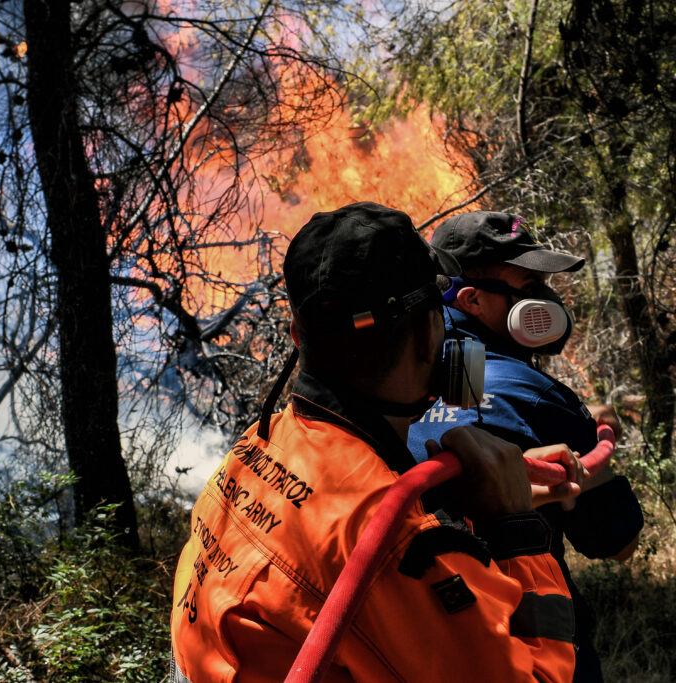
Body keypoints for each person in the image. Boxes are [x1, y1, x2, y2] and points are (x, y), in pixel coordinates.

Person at [170, 202, 579, 683]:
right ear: (431, 334)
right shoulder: (401, 549)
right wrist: (517, 532)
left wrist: (488, 492)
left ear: (297, 335)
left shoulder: (256, 446)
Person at [408, 210, 644, 682]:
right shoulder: (532, 395)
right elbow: (619, 543)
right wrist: (589, 436)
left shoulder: (401, 374)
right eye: (529, 286)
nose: (547, 300)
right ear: (472, 298)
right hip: (535, 649)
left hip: (425, 642)